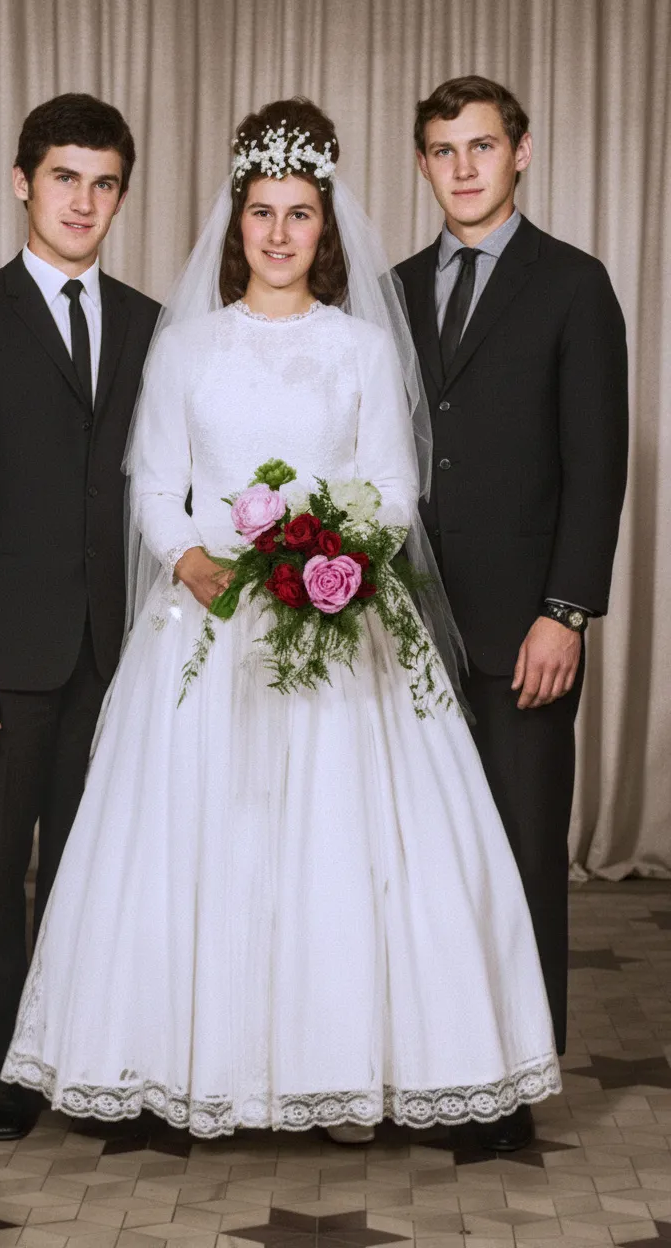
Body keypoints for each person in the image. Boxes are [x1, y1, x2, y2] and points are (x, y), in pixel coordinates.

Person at [1, 97, 560, 1145]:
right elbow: (153, 484)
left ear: (325, 227)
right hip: (205, 624)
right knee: (195, 844)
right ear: (236, 218)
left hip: (338, 625)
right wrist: (194, 558)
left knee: (351, 850)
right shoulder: (188, 349)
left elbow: (393, 487)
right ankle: (172, 1068)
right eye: (261, 210)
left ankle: (364, 1065)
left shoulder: (359, 350)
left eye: (300, 213)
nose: (277, 233)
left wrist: (333, 556)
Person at [0, 93, 159, 1142]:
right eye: (65, 177)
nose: (83, 201)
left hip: (120, 648)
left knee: (93, 868)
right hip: (3, 652)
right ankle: (4, 1066)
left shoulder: (152, 323)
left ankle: (85, 1056)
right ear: (23, 182)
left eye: (103, 183)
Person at [395, 75, 628, 1151]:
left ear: (520, 152)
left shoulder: (574, 287)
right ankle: (431, 1065)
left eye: (481, 147)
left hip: (521, 632)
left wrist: (565, 612)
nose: (464, 167)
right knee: (420, 859)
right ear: (424, 163)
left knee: (523, 853)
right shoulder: (389, 291)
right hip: (398, 636)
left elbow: (596, 468)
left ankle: (513, 1086)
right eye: (443, 150)